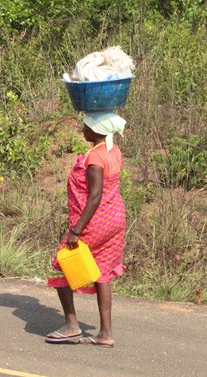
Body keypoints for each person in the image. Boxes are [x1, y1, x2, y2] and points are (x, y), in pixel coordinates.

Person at [46, 112, 126, 347]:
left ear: (96, 131)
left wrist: (77, 230)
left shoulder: (95, 159)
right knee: (102, 272)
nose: (83, 130)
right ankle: (105, 333)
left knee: (62, 265)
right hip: (115, 219)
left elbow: (94, 196)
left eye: (86, 127)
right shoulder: (113, 150)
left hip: (96, 222)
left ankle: (71, 325)